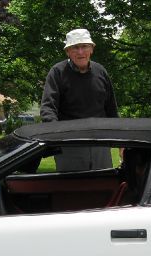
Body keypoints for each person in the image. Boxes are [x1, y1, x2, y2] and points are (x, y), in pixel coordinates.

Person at [40, 28, 119, 171]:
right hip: (70, 145)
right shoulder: (57, 72)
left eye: (84, 46)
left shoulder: (101, 71)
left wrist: (121, 142)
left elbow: (111, 108)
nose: (80, 52)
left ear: (92, 49)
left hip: (99, 144)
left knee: (102, 186)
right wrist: (57, 137)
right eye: (75, 47)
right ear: (68, 51)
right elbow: (48, 108)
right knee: (73, 189)